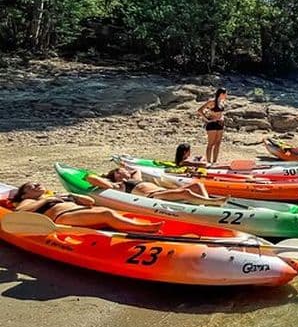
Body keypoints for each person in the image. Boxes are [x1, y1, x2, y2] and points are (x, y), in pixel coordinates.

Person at [11, 181, 162, 233]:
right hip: (62, 218)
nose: (38, 184)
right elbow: (19, 212)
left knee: (109, 212)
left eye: (38, 183)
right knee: (106, 214)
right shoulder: (27, 201)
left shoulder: (54, 196)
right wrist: (47, 200)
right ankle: (145, 229)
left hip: (80, 210)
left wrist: (72, 195)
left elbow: (89, 201)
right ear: (24, 194)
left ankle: (133, 227)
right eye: (32, 185)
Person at [88, 167, 228, 207]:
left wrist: (125, 171)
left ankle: (206, 205)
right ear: (117, 174)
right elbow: (91, 178)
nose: (125, 170)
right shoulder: (120, 185)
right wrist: (107, 176)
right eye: (121, 170)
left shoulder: (135, 178)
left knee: (197, 184)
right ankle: (211, 202)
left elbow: (136, 170)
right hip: (154, 197)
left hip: (164, 192)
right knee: (185, 192)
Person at [197, 87, 227, 163]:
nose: (226, 95)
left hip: (220, 124)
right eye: (225, 94)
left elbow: (221, 113)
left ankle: (214, 161)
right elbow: (200, 110)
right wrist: (207, 120)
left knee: (218, 143)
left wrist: (222, 117)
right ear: (221, 94)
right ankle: (208, 162)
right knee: (211, 143)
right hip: (212, 124)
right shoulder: (212, 102)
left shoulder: (222, 102)